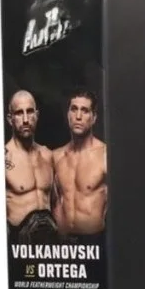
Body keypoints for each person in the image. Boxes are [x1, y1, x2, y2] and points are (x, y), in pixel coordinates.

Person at [53, 90, 107, 235]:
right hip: (62, 242)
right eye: (74, 109)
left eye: (85, 111)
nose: (78, 116)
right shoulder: (57, 156)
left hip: (94, 240)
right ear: (68, 115)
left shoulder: (104, 155)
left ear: (94, 118)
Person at [5, 90, 56, 241]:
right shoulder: (4, 158)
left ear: (37, 115)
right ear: (10, 119)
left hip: (49, 244)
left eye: (30, 111)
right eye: (19, 113)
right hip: (18, 244)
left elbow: (55, 203)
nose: (26, 119)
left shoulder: (47, 155)